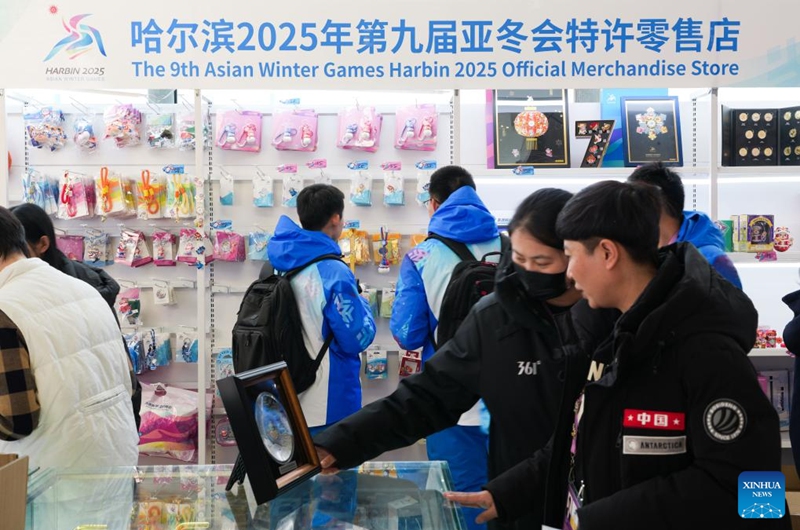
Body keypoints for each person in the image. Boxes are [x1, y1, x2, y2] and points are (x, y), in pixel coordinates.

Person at [447, 181, 786, 529]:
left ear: (608, 254)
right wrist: (505, 494)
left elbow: (756, 490)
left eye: (572, 255)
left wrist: (599, 519)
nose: (569, 273)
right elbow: (583, 443)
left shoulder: (707, 352)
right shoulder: (612, 337)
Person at [314, 189, 614, 530]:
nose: (528, 272)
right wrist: (340, 443)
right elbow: (428, 396)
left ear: (576, 255)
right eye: (519, 258)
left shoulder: (614, 318)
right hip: (516, 504)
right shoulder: (496, 318)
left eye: (542, 262)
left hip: (603, 505)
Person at [388, 165, 501, 530]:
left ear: (434, 204)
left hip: (450, 395)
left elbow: (407, 332)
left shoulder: (421, 257)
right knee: (515, 492)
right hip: (514, 395)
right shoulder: (514, 244)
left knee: (459, 498)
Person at [0, 206, 139, 469]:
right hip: (114, 464)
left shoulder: (5, 308)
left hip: (48, 484)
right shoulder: (84, 290)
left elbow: (16, 422)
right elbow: (129, 383)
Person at [266, 184, 376, 436]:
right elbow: (356, 338)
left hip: (285, 392)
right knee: (336, 473)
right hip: (329, 400)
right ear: (336, 218)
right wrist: (364, 304)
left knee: (297, 474)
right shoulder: (334, 272)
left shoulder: (277, 266)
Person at [627, 162, 743, 289]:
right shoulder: (646, 252)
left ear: (654, 204)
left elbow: (733, 307)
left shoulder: (712, 260)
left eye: (634, 201)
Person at [11, 203, 121, 308]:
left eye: (15, 249)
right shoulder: (15, 283)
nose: (6, 260)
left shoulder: (87, 285)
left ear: (43, 244)